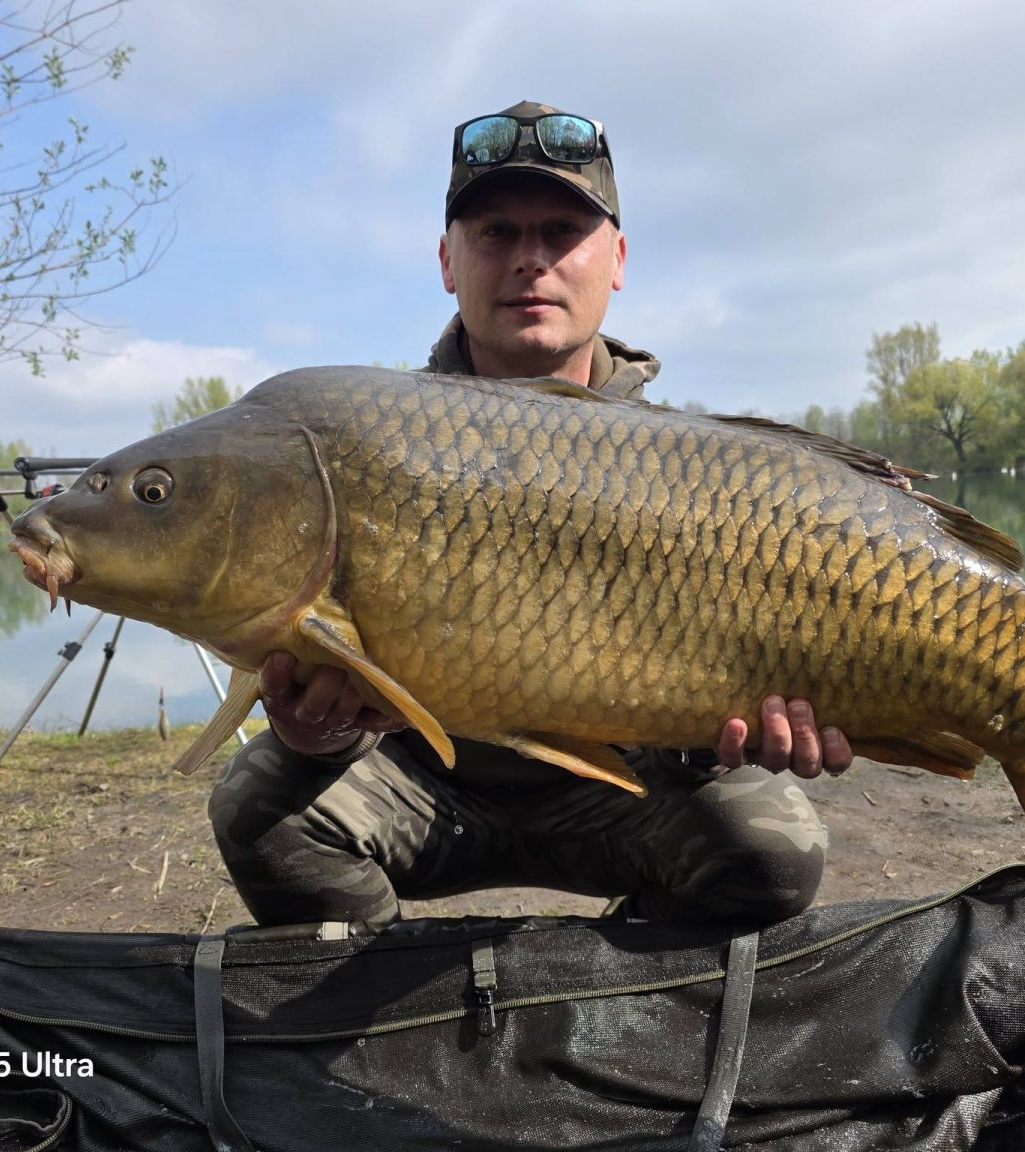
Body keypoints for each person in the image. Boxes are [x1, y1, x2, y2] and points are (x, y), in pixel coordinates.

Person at [208, 101, 851, 926]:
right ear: (448, 260)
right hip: (428, 790)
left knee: (776, 848)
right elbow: (349, 689)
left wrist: (727, 736)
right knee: (258, 804)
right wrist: (319, 731)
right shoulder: (371, 443)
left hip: (617, 793)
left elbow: (704, 709)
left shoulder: (691, 470)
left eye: (560, 232)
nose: (529, 259)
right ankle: (376, 996)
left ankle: (617, 989)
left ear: (617, 260)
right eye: (496, 233)